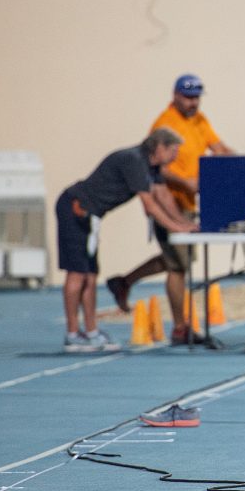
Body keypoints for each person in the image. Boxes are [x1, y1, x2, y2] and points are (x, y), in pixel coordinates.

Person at [105, 74, 234, 344]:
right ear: (175, 95)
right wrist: (185, 182)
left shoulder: (199, 120)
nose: (193, 102)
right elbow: (157, 166)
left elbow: (218, 147)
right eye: (188, 97)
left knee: (174, 259)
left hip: (189, 203)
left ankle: (125, 282)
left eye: (197, 97)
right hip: (169, 201)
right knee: (178, 266)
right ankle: (179, 327)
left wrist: (243, 164)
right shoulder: (164, 124)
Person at [56, 128, 196, 353]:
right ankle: (73, 334)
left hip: (92, 214)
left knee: (91, 275)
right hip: (77, 208)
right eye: (173, 150)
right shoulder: (134, 161)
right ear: (159, 147)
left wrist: (184, 224)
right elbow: (149, 205)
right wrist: (175, 228)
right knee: (78, 273)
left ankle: (91, 332)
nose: (175, 156)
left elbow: (163, 196)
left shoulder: (151, 167)